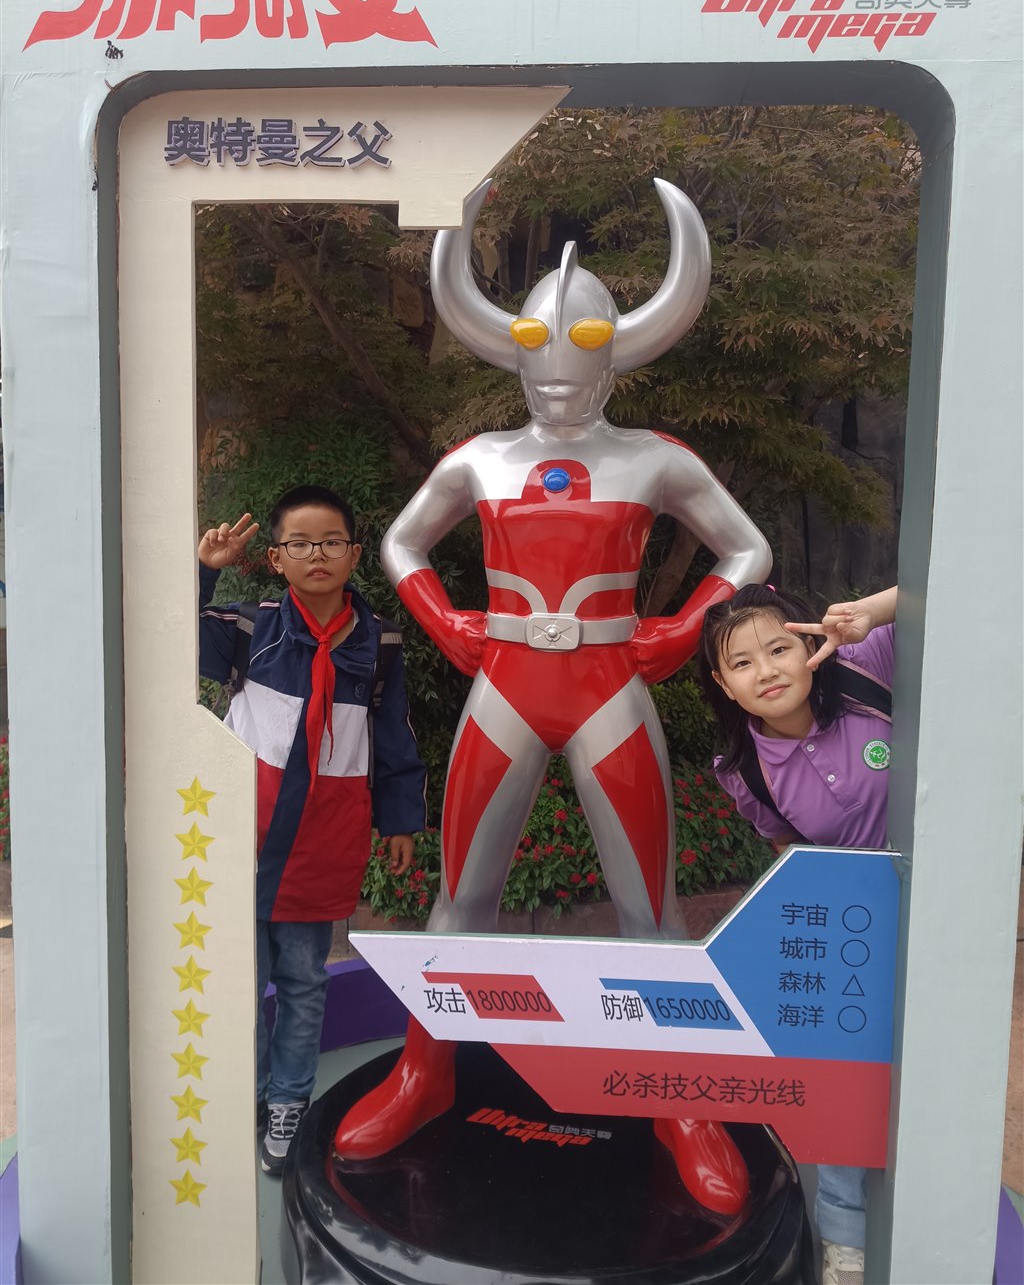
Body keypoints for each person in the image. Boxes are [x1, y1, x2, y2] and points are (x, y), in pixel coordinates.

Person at [333, 178, 772, 1217]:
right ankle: (426, 1072)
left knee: (649, 910)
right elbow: (400, 542)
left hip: (609, 685)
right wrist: (443, 620)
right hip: (506, 685)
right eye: (542, 379)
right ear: (517, 361)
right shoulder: (481, 459)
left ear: (613, 365)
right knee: (461, 899)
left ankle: (681, 1104)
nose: (558, 398)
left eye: (578, 382)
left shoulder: (653, 458)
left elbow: (746, 548)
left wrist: (686, 625)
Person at [198, 485, 427, 1174]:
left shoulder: (380, 645)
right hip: (242, 835)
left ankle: (288, 1100)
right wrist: (204, 571)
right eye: (299, 543)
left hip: (322, 841)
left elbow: (395, 736)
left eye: (331, 541)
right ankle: (246, 1094)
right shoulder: (249, 629)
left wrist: (401, 819)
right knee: (239, 982)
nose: (317, 554)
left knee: (302, 980)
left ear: (354, 554)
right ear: (275, 558)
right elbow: (168, 638)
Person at [697, 581, 898, 1285]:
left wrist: (870, 612)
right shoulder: (743, 771)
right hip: (855, 931)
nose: (767, 671)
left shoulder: (869, 667)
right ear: (723, 683)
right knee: (840, 1078)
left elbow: (953, 588)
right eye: (742, 662)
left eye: (779, 648)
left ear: (810, 644)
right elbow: (790, 851)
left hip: (937, 909)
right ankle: (846, 1242)